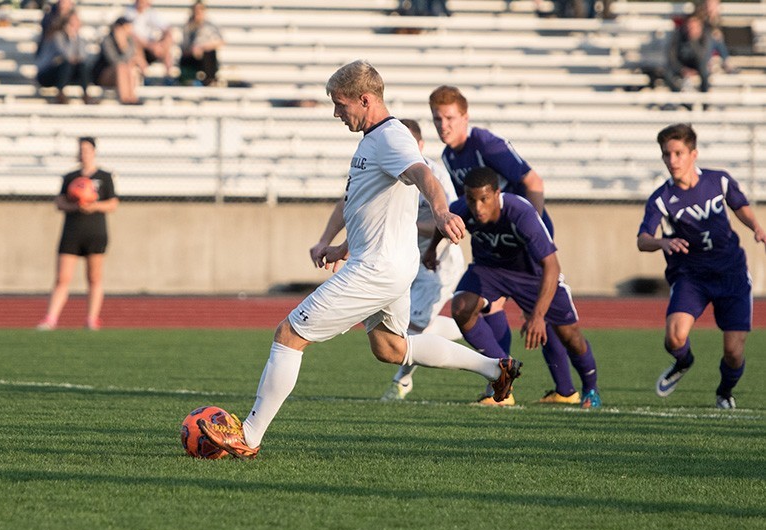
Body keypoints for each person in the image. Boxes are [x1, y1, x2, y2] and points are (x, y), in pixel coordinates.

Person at [197, 60, 522, 459]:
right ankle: (494, 368)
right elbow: (373, 210)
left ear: (365, 100)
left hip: (378, 269)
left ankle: (248, 436)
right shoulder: (374, 139)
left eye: (340, 104)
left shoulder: (392, 136)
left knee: (288, 335)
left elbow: (425, 176)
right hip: (387, 264)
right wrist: (340, 247)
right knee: (389, 347)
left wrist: (440, 212)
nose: (336, 112)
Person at [429, 85, 578, 405]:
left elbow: (533, 182)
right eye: (437, 119)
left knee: (541, 315)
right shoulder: (449, 156)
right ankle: (502, 378)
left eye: (450, 118)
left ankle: (564, 390)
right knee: (485, 306)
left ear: (465, 117)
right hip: (494, 243)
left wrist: (527, 229)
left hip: (523, 242)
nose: (444, 125)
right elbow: (469, 205)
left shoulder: (486, 144)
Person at [427, 166, 601, 409]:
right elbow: (443, 222)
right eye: (472, 200)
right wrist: (431, 250)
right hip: (489, 270)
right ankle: (503, 368)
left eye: (484, 200)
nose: (477, 207)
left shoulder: (521, 213)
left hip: (532, 275)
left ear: (497, 194)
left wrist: (538, 316)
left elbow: (551, 265)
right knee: (461, 307)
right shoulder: (463, 208)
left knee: (569, 335)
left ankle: (591, 389)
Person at [637, 123, 765, 409]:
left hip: (730, 272)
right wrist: (662, 243)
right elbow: (643, 239)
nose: (672, 161)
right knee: (674, 337)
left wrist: (756, 226)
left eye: (678, 153)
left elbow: (739, 205)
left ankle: (724, 391)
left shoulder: (718, 181)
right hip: (691, 276)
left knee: (733, 351)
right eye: (667, 155)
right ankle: (684, 361)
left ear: (693, 154)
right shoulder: (661, 198)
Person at [377, 118, 465, 402]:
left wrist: (404, 224)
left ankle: (401, 381)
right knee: (410, 324)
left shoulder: (434, 174)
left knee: (413, 329)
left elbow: (448, 220)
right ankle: (475, 328)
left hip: (438, 262)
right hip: (407, 259)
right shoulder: (388, 169)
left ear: (420, 146)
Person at [38, 137, 119, 331]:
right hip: (72, 231)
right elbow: (59, 202)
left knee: (94, 277)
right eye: (81, 150)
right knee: (62, 277)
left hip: (95, 231)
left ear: (94, 151)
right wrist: (76, 205)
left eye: (87, 149)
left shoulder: (104, 176)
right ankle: (51, 318)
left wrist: (93, 205)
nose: (84, 153)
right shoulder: (70, 177)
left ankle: (92, 319)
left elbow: (113, 203)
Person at [35, 10, 94, 104]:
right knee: (67, 64)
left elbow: (83, 57)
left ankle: (86, 94)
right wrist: (71, 38)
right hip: (47, 74)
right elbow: (67, 55)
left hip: (65, 73)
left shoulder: (80, 39)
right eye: (72, 22)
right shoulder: (57, 37)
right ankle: (60, 93)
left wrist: (74, 38)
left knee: (82, 65)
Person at [93, 17, 145, 105]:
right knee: (121, 67)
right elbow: (113, 60)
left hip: (123, 71)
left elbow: (130, 59)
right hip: (105, 74)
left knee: (128, 67)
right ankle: (124, 98)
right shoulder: (107, 40)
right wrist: (121, 46)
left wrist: (124, 46)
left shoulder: (130, 40)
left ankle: (132, 97)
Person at [125, 0, 175, 82]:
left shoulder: (151, 13)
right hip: (138, 49)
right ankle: (145, 76)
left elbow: (167, 29)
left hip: (153, 48)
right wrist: (150, 46)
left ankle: (169, 76)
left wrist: (161, 45)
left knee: (168, 38)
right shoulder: (128, 13)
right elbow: (132, 35)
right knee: (135, 43)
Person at [179, 0, 224, 86]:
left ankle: (210, 80)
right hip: (191, 56)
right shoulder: (188, 26)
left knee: (210, 53)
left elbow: (221, 41)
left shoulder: (210, 25)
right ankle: (187, 80)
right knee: (185, 58)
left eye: (200, 10)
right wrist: (193, 50)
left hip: (205, 56)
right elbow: (184, 46)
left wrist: (203, 47)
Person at [664, 13, 712, 94]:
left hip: (698, 67)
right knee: (667, 74)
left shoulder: (705, 37)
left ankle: (705, 102)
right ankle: (683, 101)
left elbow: (703, 57)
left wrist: (693, 41)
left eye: (694, 26)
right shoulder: (678, 35)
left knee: (704, 71)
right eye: (689, 26)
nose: (691, 29)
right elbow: (671, 56)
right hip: (682, 66)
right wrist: (682, 69)